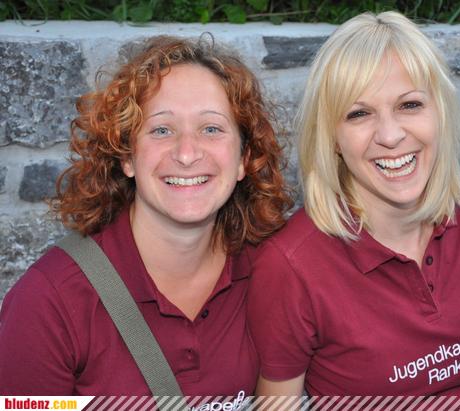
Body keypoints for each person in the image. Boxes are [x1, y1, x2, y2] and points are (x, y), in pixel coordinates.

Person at [247, 11, 460, 398]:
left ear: (439, 111)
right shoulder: (290, 265)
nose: (391, 135)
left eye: (409, 105)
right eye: (359, 114)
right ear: (332, 139)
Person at [0, 35, 291, 395]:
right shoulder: (48, 301)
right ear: (127, 156)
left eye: (211, 129)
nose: (187, 154)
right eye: (161, 130)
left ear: (244, 159)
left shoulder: (274, 272)